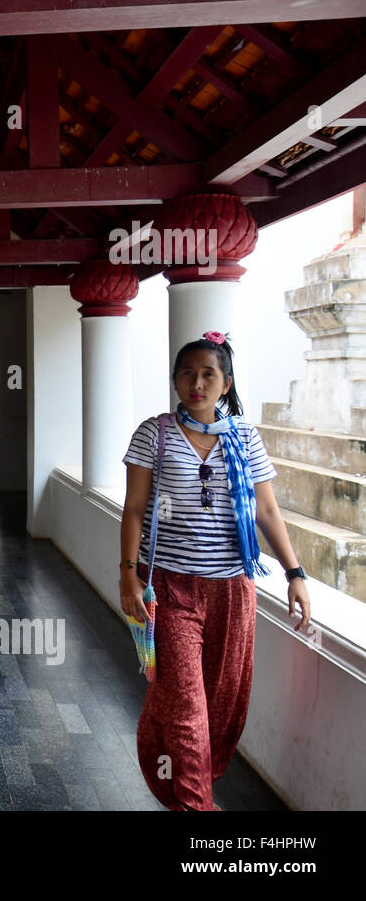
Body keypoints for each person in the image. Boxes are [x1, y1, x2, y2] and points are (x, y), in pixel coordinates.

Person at [119, 330, 312, 811]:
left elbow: (266, 511)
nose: (197, 383)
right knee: (187, 708)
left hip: (232, 590)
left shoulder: (246, 438)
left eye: (209, 374)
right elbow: (135, 509)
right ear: (176, 380)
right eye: (187, 373)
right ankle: (194, 804)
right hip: (169, 588)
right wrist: (128, 574)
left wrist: (295, 572)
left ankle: (192, 786)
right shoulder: (154, 433)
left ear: (225, 383)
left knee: (222, 707)